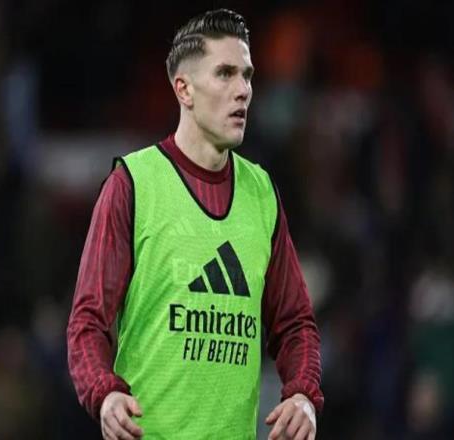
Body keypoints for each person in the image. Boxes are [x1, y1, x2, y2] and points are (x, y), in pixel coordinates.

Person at [67, 9, 323, 440]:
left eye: (247, 76)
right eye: (225, 74)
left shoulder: (261, 192)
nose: (243, 90)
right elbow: (87, 321)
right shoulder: (133, 183)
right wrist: (104, 393)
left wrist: (303, 394)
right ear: (183, 89)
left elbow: (296, 322)